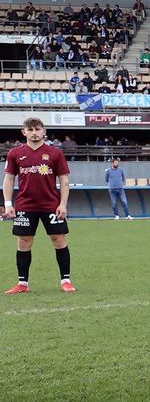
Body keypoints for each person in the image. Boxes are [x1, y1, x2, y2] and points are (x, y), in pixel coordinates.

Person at [4, 118, 74, 294]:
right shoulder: (15, 153)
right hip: (25, 205)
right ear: (23, 132)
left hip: (51, 205)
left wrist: (63, 204)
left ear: (44, 131)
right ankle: (22, 284)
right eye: (30, 129)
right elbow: (9, 178)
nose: (34, 132)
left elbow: (64, 179)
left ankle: (66, 280)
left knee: (58, 240)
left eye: (37, 129)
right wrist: (8, 203)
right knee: (24, 242)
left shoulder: (55, 153)